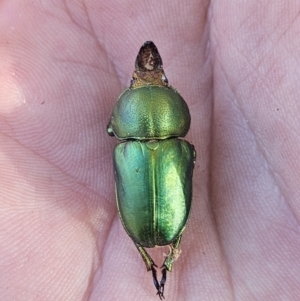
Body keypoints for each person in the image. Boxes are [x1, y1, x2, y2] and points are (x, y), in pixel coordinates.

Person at [0, 1, 299, 300]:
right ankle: (165, 261)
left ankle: (157, 262)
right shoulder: (182, 149)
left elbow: (110, 129)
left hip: (144, 219)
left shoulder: (124, 148)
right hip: (162, 215)